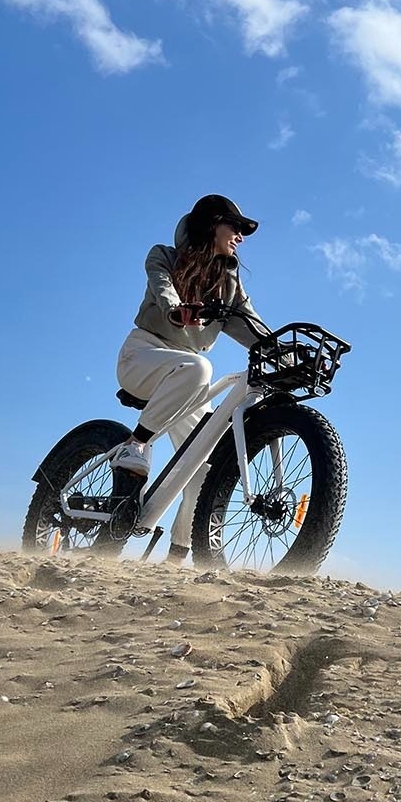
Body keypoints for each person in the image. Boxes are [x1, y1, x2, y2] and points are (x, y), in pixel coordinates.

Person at [110, 194, 270, 563]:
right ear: (212, 223)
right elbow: (161, 287)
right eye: (236, 227)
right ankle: (136, 443)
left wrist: (283, 351)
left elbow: (251, 323)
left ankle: (176, 558)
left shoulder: (228, 285)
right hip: (144, 355)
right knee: (200, 369)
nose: (241, 237)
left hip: (187, 381)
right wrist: (175, 310)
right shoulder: (164, 256)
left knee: (201, 467)